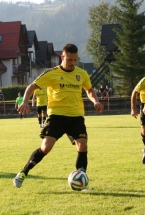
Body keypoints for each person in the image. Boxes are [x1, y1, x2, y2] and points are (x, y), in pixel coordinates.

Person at [13, 44, 104, 188]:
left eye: (75, 60)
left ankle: (81, 179)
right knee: (46, 148)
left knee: (83, 145)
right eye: (69, 60)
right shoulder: (52, 73)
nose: (72, 63)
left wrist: (96, 101)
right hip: (57, 116)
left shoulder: (82, 74)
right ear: (62, 57)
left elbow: (89, 90)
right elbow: (32, 86)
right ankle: (23, 172)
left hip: (76, 117)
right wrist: (24, 102)